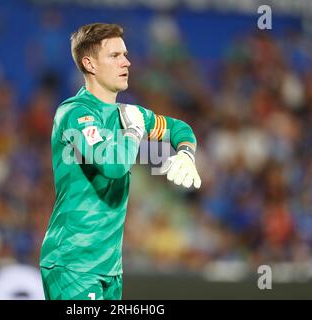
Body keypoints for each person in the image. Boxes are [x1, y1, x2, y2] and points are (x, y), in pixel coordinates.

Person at [39, 23, 201, 300]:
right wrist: (134, 131)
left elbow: (179, 129)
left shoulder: (127, 114)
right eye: (114, 56)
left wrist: (186, 153)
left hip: (109, 268)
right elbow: (113, 165)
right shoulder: (75, 113)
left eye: (125, 54)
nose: (126, 62)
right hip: (73, 263)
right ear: (89, 64)